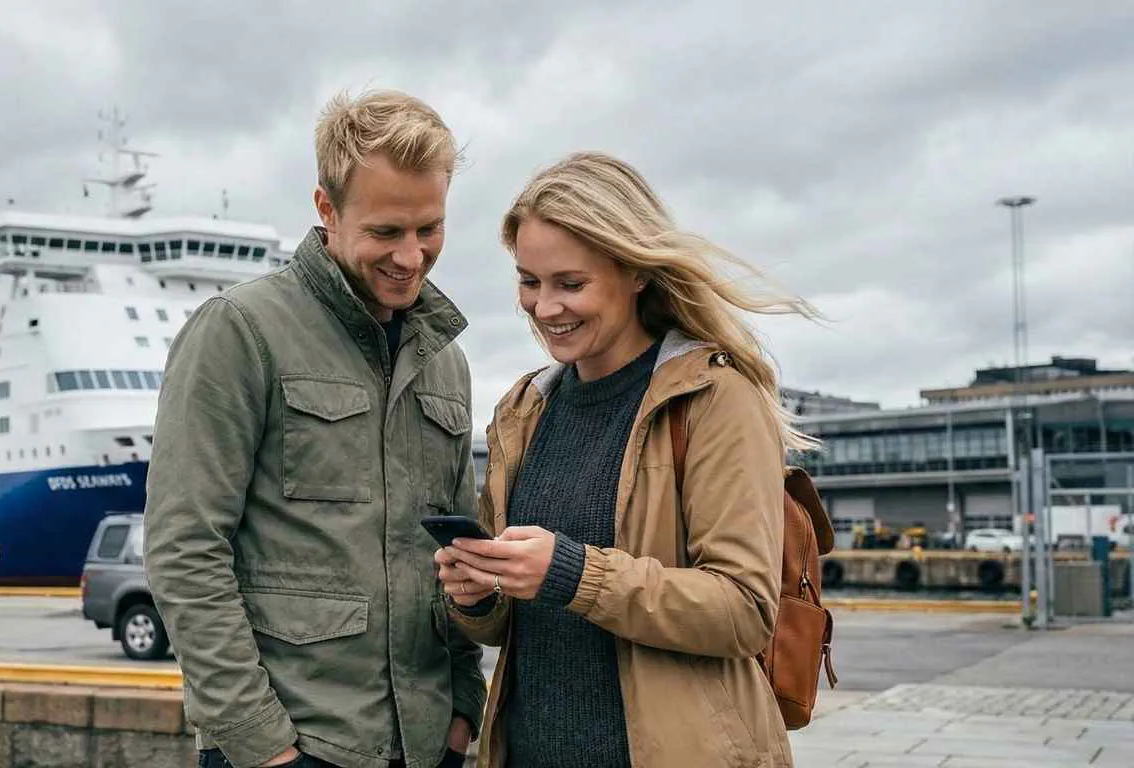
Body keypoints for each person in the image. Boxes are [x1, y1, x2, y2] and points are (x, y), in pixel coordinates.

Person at [434, 152, 821, 767]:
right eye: (529, 282)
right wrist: (477, 595)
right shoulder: (524, 409)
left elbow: (745, 610)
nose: (544, 307)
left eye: (570, 283)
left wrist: (572, 573)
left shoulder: (716, 397)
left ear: (636, 272)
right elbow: (508, 627)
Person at [144, 88, 487, 768]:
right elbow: (185, 549)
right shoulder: (240, 332)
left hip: (424, 747)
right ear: (325, 209)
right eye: (386, 232)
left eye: (431, 229)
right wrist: (259, 743)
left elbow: (455, 555)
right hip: (295, 746)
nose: (412, 257)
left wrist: (462, 707)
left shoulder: (446, 362)